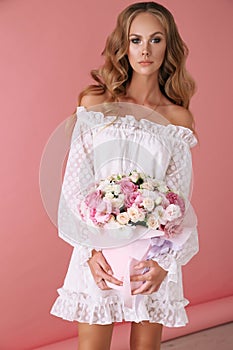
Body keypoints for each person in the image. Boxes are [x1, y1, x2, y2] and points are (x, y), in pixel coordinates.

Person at [50, 2, 199, 350]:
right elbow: (75, 183)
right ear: (124, 45)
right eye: (136, 39)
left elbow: (177, 200)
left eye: (156, 39)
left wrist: (163, 263)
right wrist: (89, 250)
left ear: (169, 47)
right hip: (97, 247)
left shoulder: (178, 119)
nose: (145, 50)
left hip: (151, 254)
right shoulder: (95, 103)